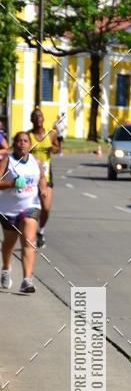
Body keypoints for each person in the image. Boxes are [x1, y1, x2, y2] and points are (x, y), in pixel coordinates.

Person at [0, 131, 49, 293]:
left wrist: (43, 189)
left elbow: (42, 178)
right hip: (8, 209)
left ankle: (27, 280)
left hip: (30, 205)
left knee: (28, 239)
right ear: (15, 144)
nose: (22, 143)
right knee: (9, 243)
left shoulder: (36, 162)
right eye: (19, 141)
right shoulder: (7, 161)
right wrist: (12, 183)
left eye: (25, 141)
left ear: (30, 144)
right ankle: (6, 268)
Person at [29, 108, 59, 248]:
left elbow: (57, 148)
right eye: (35, 116)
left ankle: (40, 231)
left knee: (46, 208)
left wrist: (53, 149)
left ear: (43, 119)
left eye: (40, 116)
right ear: (32, 120)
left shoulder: (51, 134)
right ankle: (31, 232)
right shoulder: (28, 136)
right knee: (34, 207)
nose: (38, 118)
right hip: (31, 176)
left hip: (46, 176)